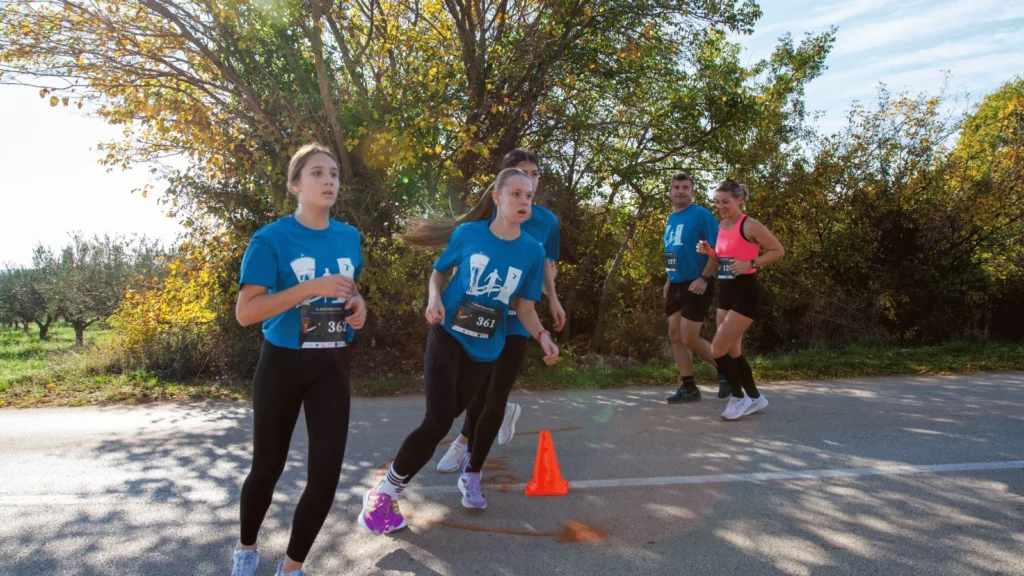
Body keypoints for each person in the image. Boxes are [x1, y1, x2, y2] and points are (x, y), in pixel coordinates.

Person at [360, 167, 559, 534]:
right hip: (448, 333)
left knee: (449, 417)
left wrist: (543, 336)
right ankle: (384, 493)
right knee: (437, 421)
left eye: (528, 196)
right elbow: (439, 272)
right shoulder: (468, 234)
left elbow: (525, 308)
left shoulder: (533, 251)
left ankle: (420, 485)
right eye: (515, 194)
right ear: (496, 198)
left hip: (486, 350)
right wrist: (434, 299)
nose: (523, 201)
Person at [230, 144, 368, 576]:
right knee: (267, 469)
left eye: (333, 174)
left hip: (332, 364)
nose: (329, 180)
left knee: (326, 475)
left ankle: (291, 567)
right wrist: (311, 288)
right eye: (316, 173)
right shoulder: (271, 238)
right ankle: (247, 548)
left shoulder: (349, 236)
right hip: (283, 364)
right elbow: (246, 312)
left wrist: (358, 305)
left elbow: (349, 289)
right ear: (296, 185)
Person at [435, 149, 565, 473]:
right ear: (502, 189)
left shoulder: (546, 221)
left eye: (534, 175)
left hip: (520, 315)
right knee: (478, 388)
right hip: (484, 312)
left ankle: (471, 456)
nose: (529, 181)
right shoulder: (485, 220)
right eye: (522, 174)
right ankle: (465, 440)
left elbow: (546, 266)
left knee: (497, 387)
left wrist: (552, 297)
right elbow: (466, 260)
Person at [697, 179, 784, 420]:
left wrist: (751, 263)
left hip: (746, 293)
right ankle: (755, 397)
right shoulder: (722, 225)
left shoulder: (751, 225)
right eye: (717, 202)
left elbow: (778, 250)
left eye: (725, 202)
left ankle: (739, 397)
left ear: (739, 200)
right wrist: (709, 252)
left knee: (717, 349)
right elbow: (723, 257)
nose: (720, 206)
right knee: (733, 351)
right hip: (725, 292)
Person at [661, 172, 721, 403]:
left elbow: (717, 250)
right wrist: (668, 279)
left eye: (685, 187)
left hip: (698, 282)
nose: (680, 191)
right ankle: (689, 388)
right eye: (676, 187)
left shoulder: (702, 215)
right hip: (676, 284)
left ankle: (727, 370)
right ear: (670, 192)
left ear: (692, 191)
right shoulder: (670, 219)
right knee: (675, 336)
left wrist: (705, 278)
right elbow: (671, 251)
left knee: (690, 338)